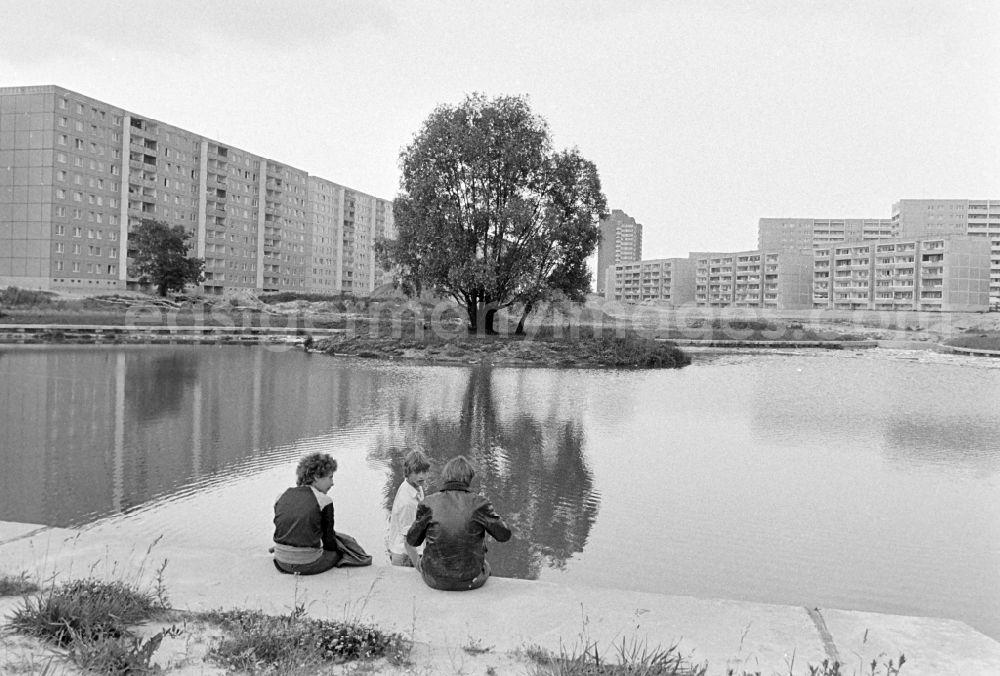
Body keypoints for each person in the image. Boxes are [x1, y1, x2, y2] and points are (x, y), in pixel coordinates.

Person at [406, 455, 511, 591]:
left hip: (434, 578)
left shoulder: (428, 503)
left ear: (446, 477)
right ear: (469, 478)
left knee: (425, 559)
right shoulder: (480, 503)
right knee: (486, 566)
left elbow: (412, 540)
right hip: (471, 579)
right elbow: (504, 535)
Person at [272, 452, 372, 575]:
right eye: (330, 477)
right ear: (316, 477)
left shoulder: (280, 497)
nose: (332, 483)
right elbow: (329, 543)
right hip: (308, 565)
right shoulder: (324, 501)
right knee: (340, 549)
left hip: (281, 561)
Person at [386, 449, 431, 567]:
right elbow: (408, 542)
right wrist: (420, 567)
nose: (421, 476)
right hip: (406, 556)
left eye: (424, 471)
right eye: (416, 472)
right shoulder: (407, 503)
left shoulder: (415, 486)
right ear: (408, 472)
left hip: (412, 550)